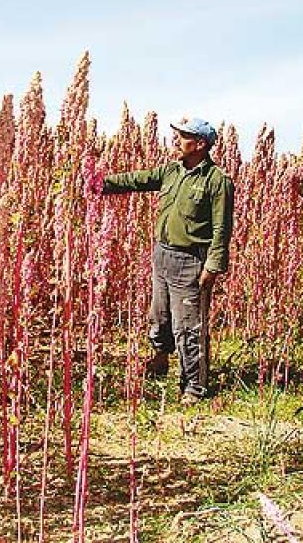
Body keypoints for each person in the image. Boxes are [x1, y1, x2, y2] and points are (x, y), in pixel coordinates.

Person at [95, 117, 234, 404]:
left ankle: (193, 386)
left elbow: (222, 228)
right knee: (159, 318)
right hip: (162, 255)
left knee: (188, 326)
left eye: (182, 137)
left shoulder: (217, 181)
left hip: (191, 262)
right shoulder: (172, 171)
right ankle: (160, 359)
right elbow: (137, 180)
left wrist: (212, 266)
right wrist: (100, 184)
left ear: (200, 144)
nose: (176, 141)